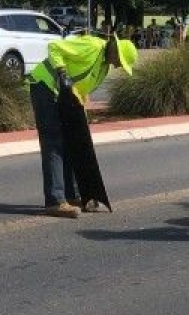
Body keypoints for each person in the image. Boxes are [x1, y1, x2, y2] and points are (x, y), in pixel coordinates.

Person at [26, 31, 137, 218]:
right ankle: (55, 201)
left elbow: (82, 86)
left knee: (72, 141)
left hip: (63, 96)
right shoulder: (92, 46)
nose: (118, 66)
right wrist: (61, 72)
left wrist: (81, 106)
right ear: (115, 51)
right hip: (45, 86)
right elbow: (54, 47)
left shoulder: (104, 66)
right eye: (120, 61)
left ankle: (72, 195)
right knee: (54, 142)